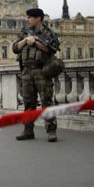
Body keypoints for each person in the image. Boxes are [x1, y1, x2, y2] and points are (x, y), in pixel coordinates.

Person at [12, 8, 61, 142]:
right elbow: (15, 48)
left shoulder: (48, 33)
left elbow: (52, 49)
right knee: (28, 102)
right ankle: (28, 130)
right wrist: (25, 41)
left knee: (46, 101)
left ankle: (51, 130)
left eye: (30, 17)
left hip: (42, 70)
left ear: (39, 18)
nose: (28, 20)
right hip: (26, 71)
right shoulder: (24, 31)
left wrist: (36, 43)